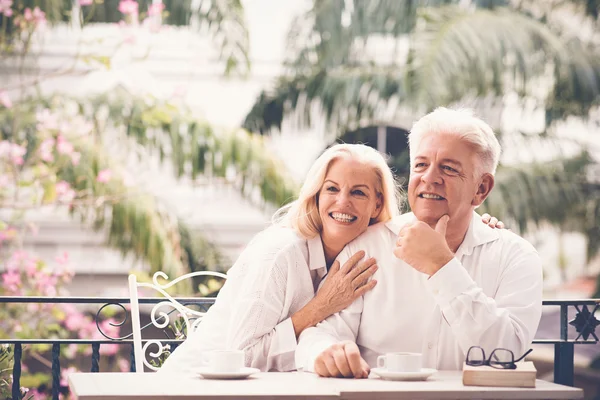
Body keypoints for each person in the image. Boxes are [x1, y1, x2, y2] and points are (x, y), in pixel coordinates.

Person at [294, 108, 543, 378]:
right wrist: (323, 352)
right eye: (421, 165)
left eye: (448, 168)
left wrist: (442, 267)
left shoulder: (516, 257)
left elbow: (508, 351)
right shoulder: (366, 248)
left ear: (481, 188)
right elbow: (320, 334)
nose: (429, 178)